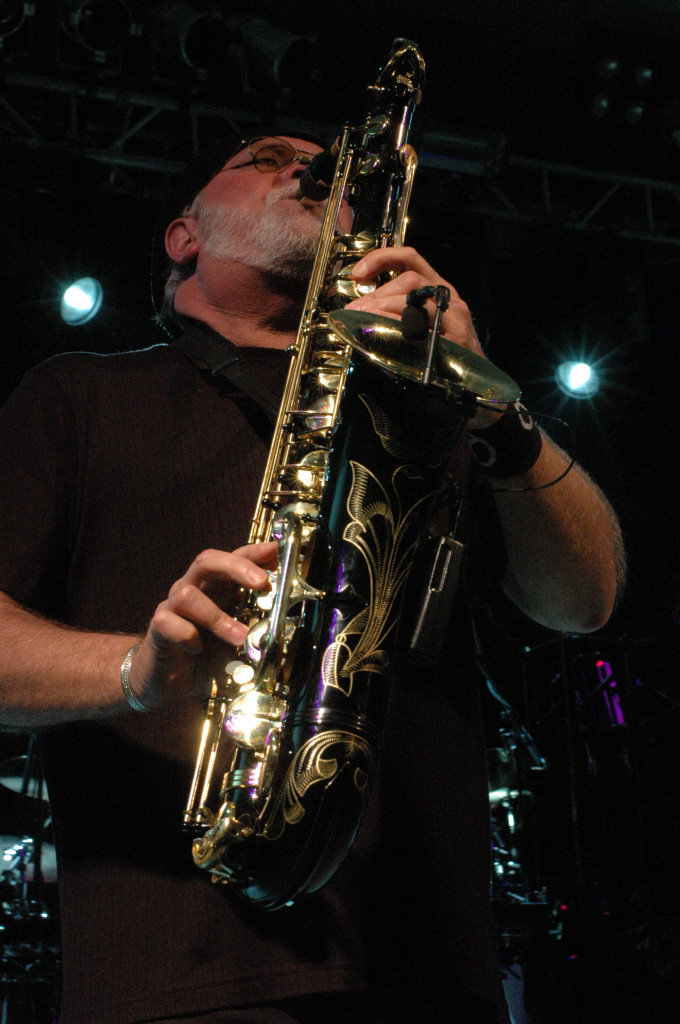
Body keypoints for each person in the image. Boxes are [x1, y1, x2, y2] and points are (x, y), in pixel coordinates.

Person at [0, 130, 624, 1024]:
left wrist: (495, 405)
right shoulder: (78, 395)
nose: (312, 169)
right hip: (179, 980)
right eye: (266, 158)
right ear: (184, 237)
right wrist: (135, 670)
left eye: (328, 166)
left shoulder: (433, 414)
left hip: (432, 975)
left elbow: (586, 598)